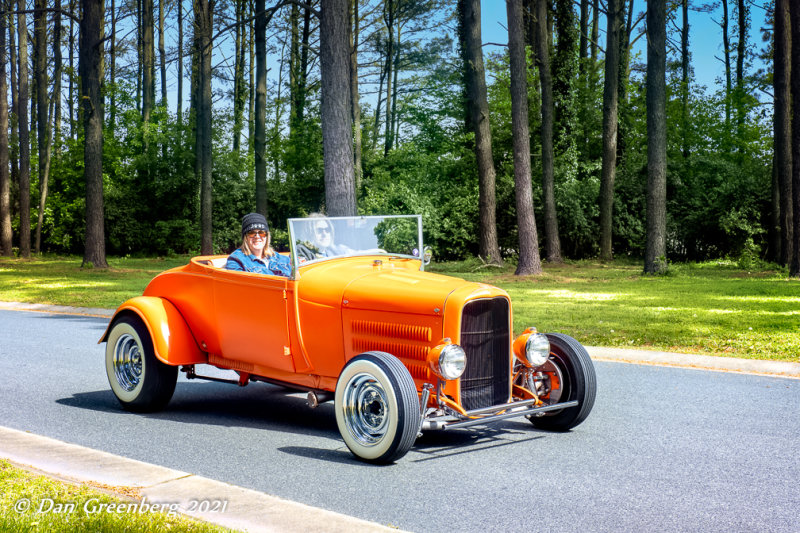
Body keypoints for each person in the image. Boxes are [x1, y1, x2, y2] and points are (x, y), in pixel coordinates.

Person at [226, 213, 291, 277]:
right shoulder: (236, 260)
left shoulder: (277, 257)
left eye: (261, 233)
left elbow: (297, 271)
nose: (257, 236)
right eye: (251, 233)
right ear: (245, 237)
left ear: (267, 236)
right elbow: (239, 285)